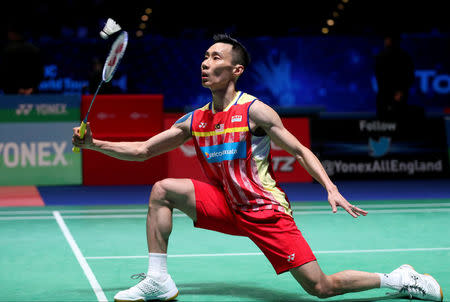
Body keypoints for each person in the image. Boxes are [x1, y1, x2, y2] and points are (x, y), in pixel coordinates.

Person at [73, 34, 443, 302]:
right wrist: (93, 144)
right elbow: (143, 150)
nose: (205, 62)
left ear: (236, 70)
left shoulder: (255, 111)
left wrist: (329, 187)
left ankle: (397, 278)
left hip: (264, 211)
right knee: (161, 189)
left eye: (215, 57)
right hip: (224, 203)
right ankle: (158, 280)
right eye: (204, 56)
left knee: (321, 288)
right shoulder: (195, 119)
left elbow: (299, 150)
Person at [374, 30, 415, 120]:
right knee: (382, 120)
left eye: (389, 39)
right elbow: (379, 75)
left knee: (397, 120)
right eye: (386, 39)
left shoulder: (404, 56)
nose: (387, 41)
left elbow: (409, 76)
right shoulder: (381, 56)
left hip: (398, 94)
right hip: (384, 94)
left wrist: (401, 91)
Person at [0, 22, 44, 94]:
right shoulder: (34, 49)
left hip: (11, 94)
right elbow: (40, 73)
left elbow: (3, 73)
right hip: (31, 93)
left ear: (11, 34)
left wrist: (15, 89)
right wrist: (32, 88)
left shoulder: (7, 51)